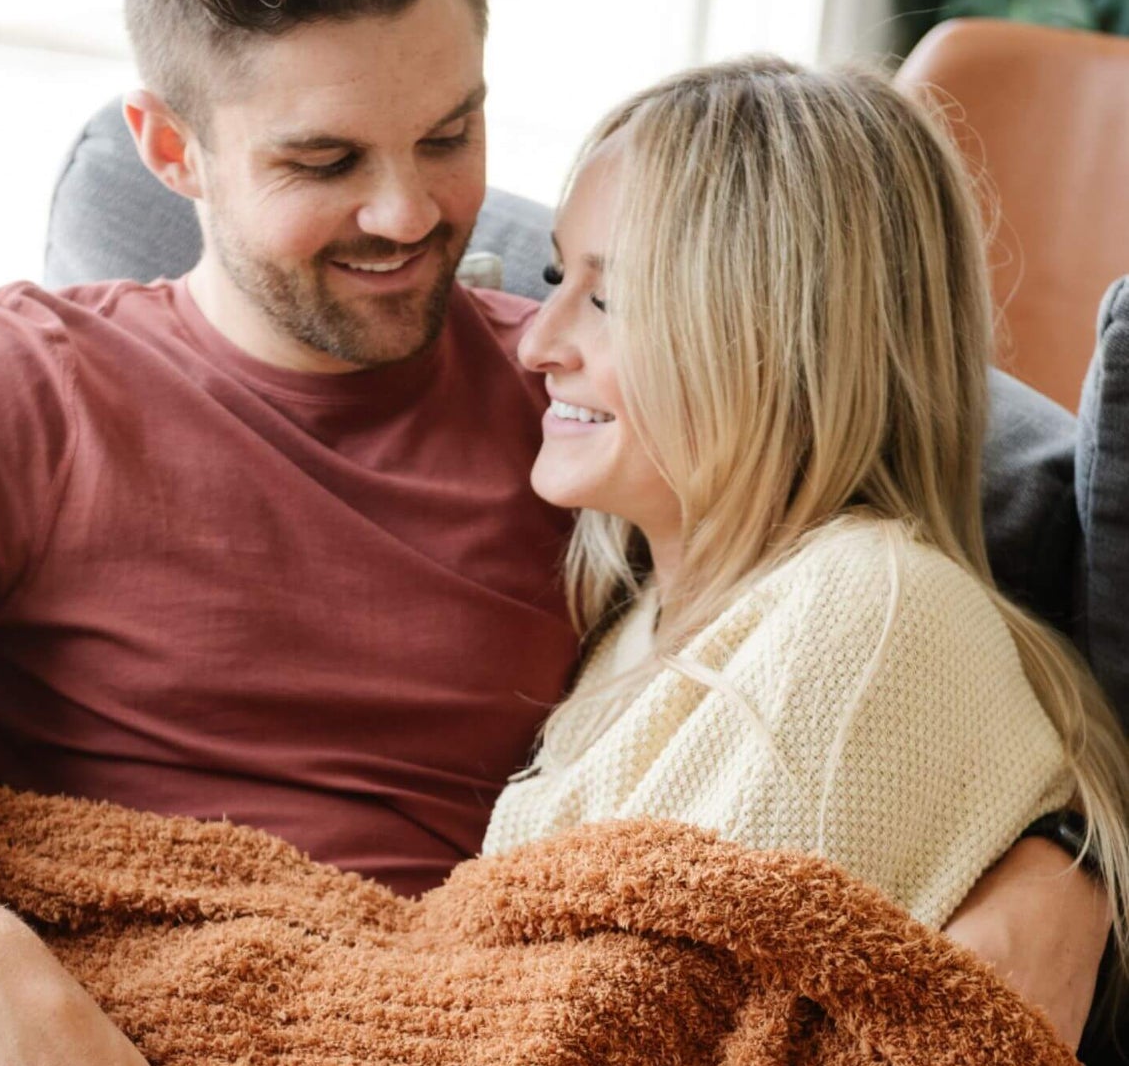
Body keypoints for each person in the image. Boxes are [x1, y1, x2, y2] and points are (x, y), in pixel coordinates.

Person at [0, 0, 1107, 1066]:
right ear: (168, 147)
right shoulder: (26, 384)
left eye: (450, 133)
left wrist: (1074, 858)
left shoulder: (605, 420)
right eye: (321, 163)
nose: (410, 214)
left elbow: (879, 588)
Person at [481, 58, 1129, 963]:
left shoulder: (867, 615)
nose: (537, 341)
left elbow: (639, 1032)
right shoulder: (639, 632)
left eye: (608, 298)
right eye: (555, 276)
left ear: (781, 341)